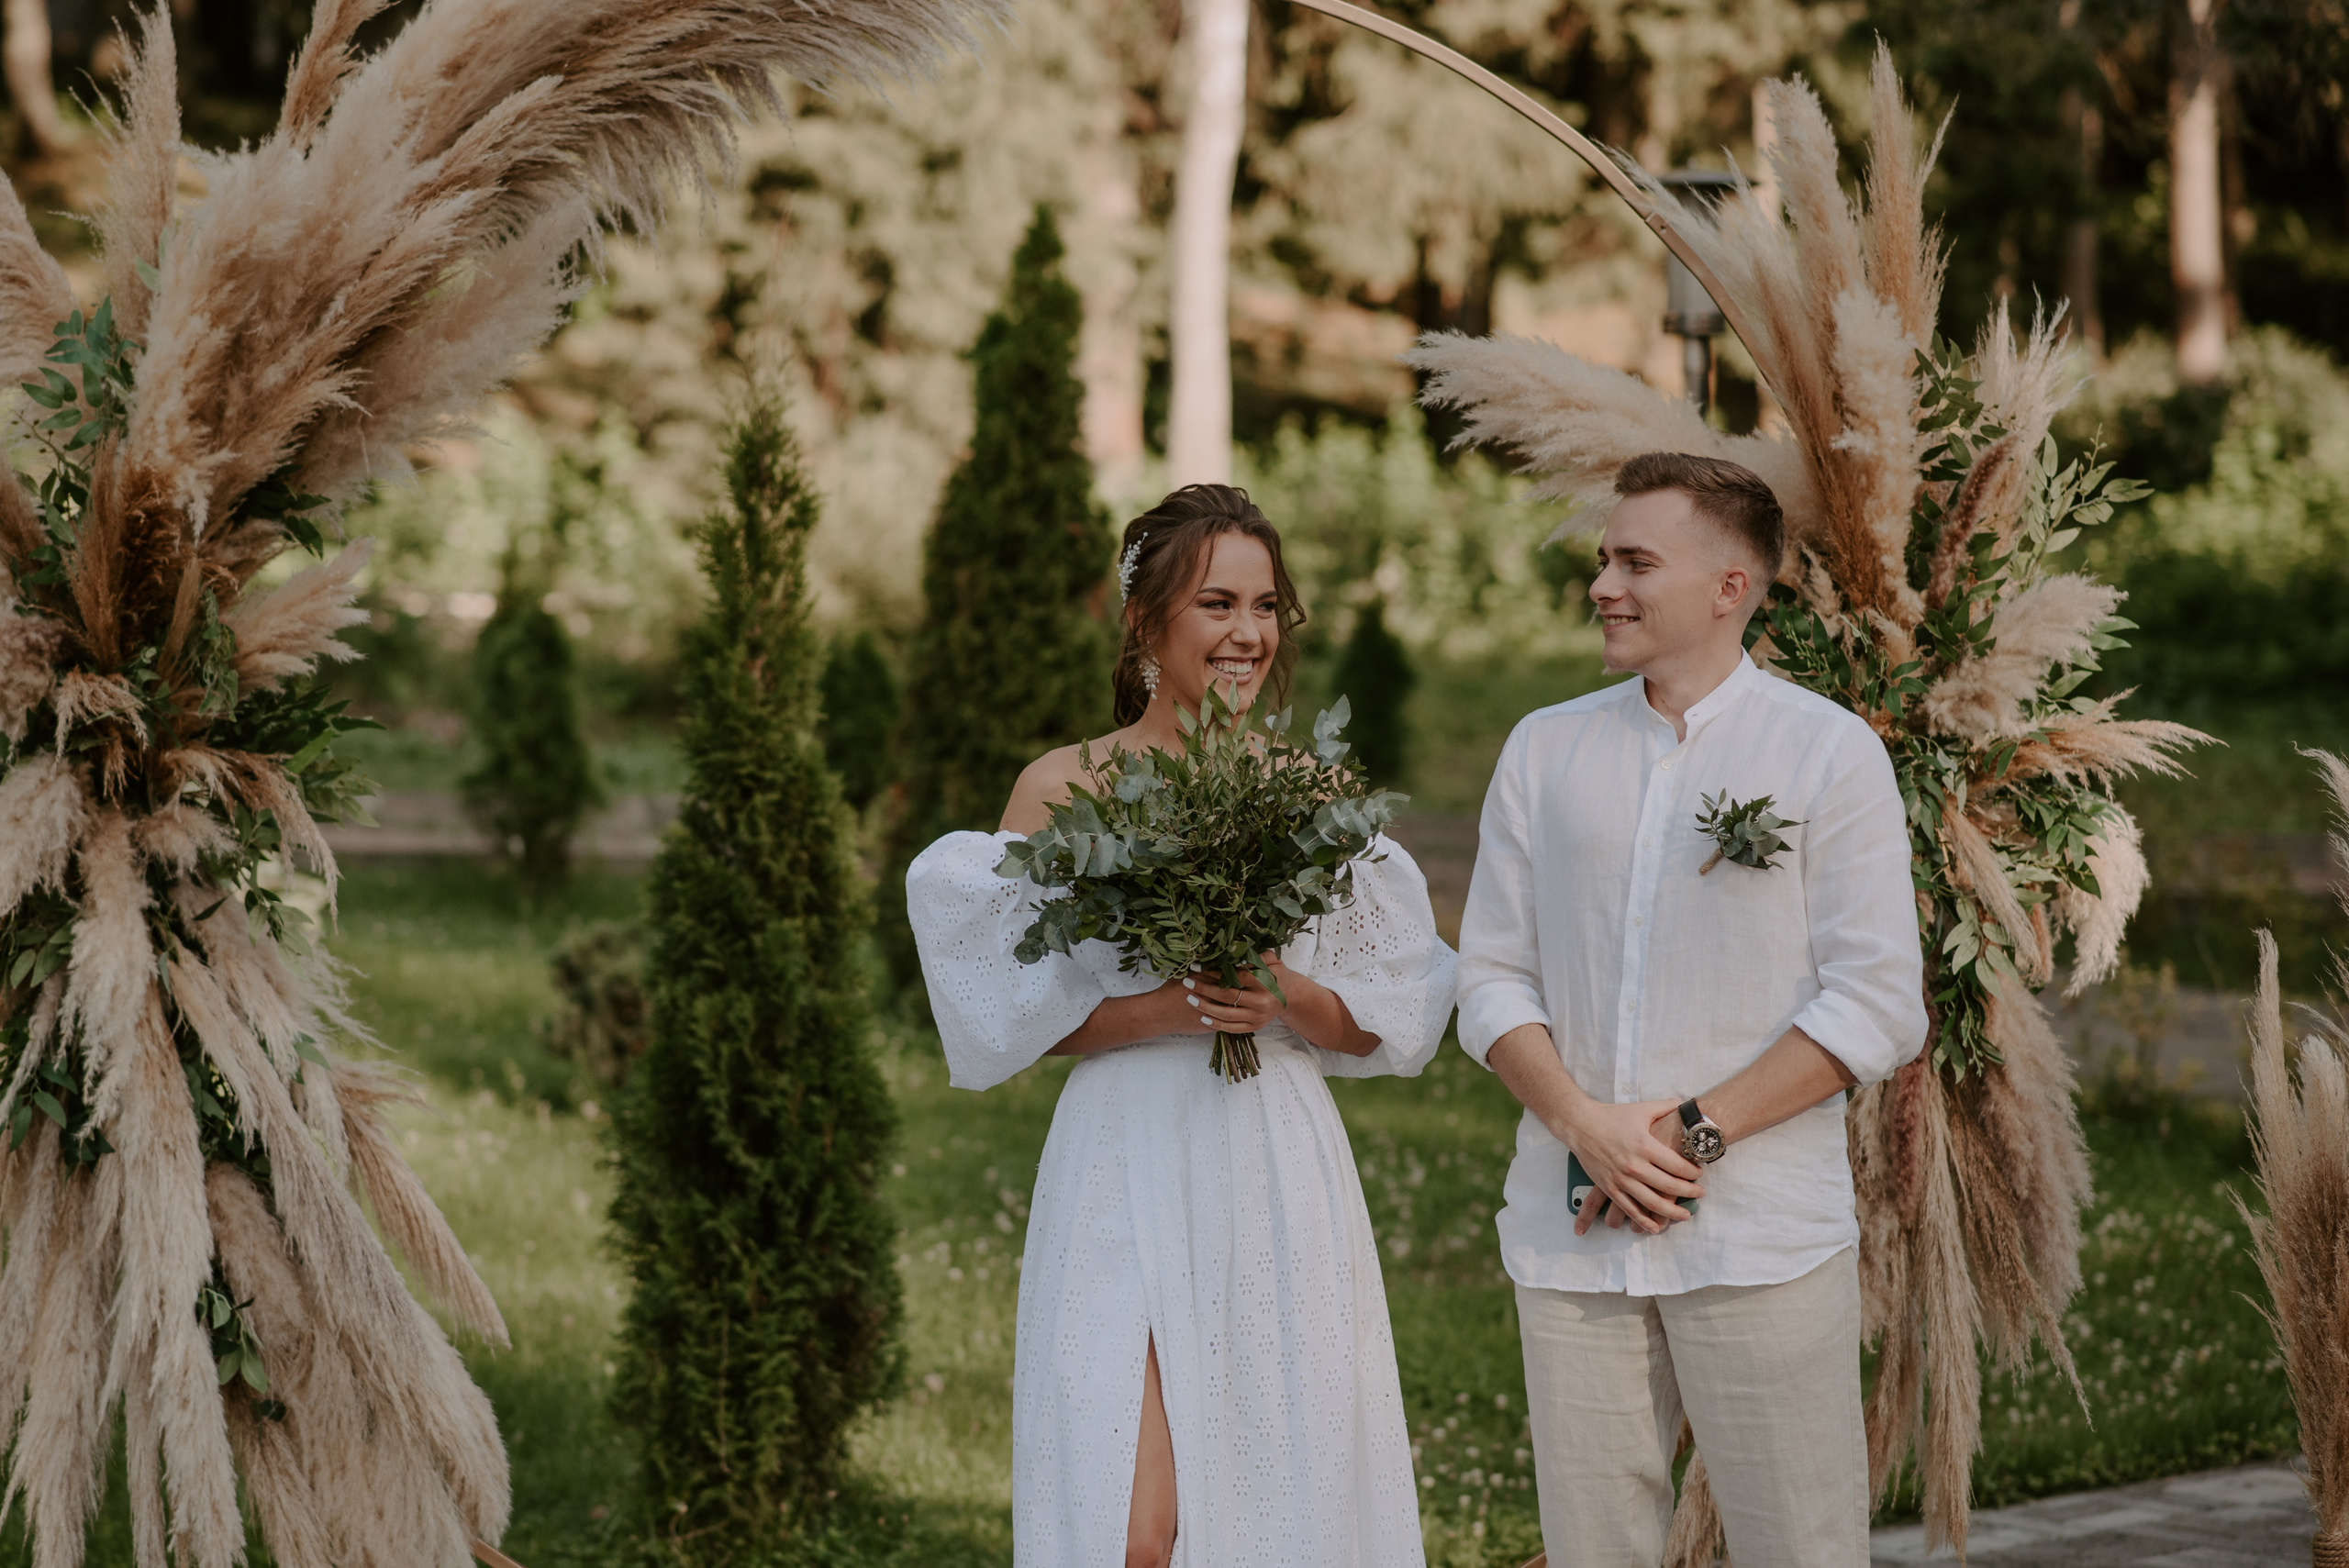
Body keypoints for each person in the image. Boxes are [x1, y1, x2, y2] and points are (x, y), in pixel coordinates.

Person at [906, 484, 1457, 1568]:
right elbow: (1020, 1019)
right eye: (1215, 602)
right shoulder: (1064, 786)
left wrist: (1278, 996)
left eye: (1264, 605)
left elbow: (1380, 1021)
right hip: (1120, 1147)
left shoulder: (1310, 795)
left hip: (1269, 1152)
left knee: (1272, 1489)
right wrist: (1169, 1005)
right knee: (1128, 1523)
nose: (1247, 632)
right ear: (1142, 620)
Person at [1454, 453, 1927, 1567]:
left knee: (1797, 1545)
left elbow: (1875, 1002)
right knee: (1593, 1549)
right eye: (1602, 559)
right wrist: (1584, 1123)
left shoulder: (1827, 752)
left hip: (1758, 1232)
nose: (1601, 585)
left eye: (1634, 561)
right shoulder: (1544, 747)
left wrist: (1687, 1134)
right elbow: (1487, 976)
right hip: (1571, 1234)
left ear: (1731, 587)